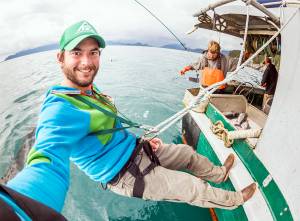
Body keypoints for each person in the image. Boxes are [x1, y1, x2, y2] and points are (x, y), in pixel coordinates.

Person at [1, 21, 257, 219]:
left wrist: (141, 142)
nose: (87, 62)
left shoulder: (90, 91)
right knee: (191, 187)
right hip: (125, 174)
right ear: (61, 58)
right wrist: (15, 206)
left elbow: (110, 132)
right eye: (77, 53)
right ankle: (234, 200)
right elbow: (46, 160)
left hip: (139, 149)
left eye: (93, 52)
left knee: (187, 154)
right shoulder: (59, 110)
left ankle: (219, 174)